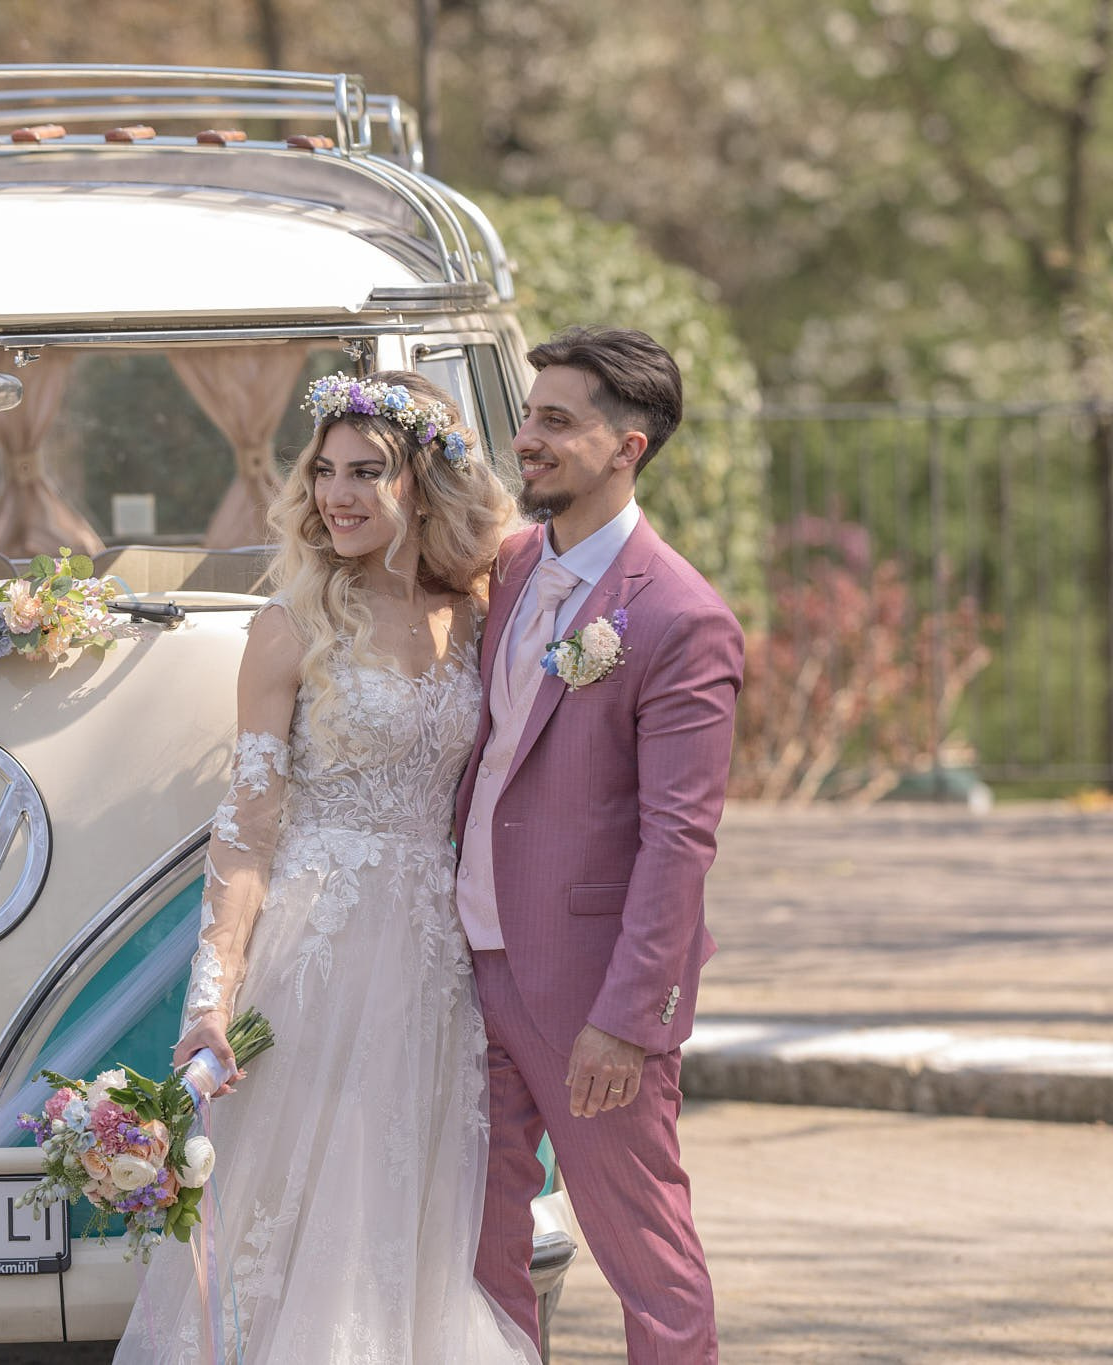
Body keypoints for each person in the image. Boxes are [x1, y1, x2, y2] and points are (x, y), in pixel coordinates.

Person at [113, 370, 539, 1364]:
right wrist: (211, 996)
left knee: (403, 1214)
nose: (336, 495)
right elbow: (246, 830)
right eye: (324, 473)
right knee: (300, 1210)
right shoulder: (289, 626)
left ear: (421, 486)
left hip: (433, 959)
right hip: (317, 950)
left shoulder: (476, 614)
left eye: (367, 473)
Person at [457, 326, 743, 1363]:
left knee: (643, 1257)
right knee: (472, 1250)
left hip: (589, 998)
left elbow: (678, 843)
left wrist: (627, 1019)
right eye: (528, 417)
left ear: (626, 445)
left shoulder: (678, 617)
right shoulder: (509, 566)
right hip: (463, 969)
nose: (525, 439)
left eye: (556, 423)